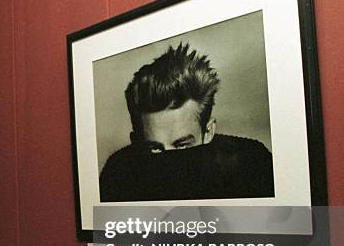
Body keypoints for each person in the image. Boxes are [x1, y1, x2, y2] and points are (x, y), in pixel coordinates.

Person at [99, 43, 274, 202]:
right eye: (154, 149)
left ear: (209, 132)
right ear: (136, 140)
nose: (168, 165)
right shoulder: (118, 175)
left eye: (182, 146)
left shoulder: (251, 168)